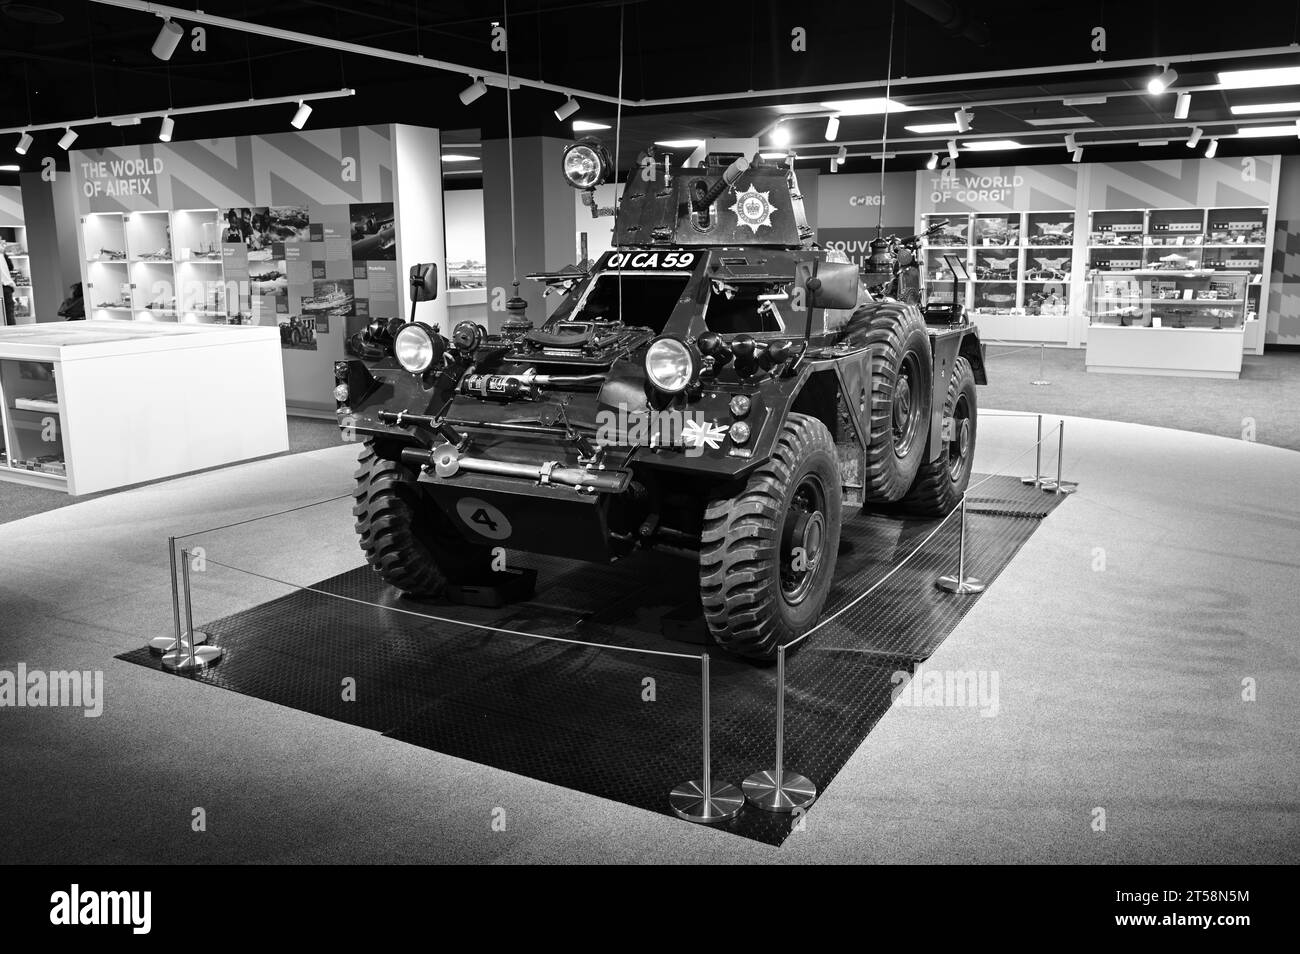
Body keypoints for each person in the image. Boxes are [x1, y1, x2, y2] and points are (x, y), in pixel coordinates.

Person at [0, 251, 15, 326]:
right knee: (9, 313)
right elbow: (11, 267)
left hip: (5, 286)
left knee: (8, 313)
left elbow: (10, 267)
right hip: (6, 286)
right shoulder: (2, 254)